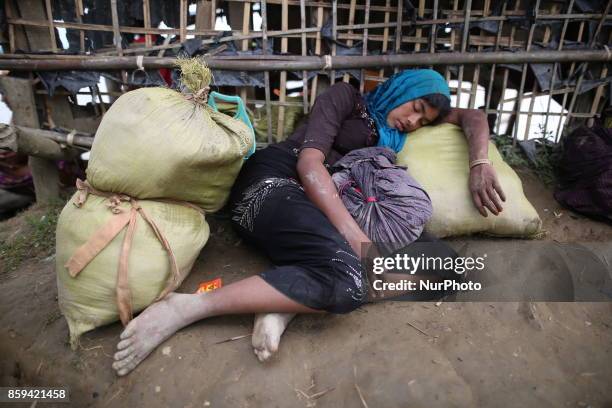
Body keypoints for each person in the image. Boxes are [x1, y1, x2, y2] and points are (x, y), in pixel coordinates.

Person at [111, 69, 506, 376]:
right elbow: (310, 163)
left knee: (447, 268)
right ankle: (190, 307)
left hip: (343, 203)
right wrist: (356, 240)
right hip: (276, 184)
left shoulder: (392, 134)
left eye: (424, 121)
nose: (413, 122)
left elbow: (472, 115)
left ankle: (288, 302)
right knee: (350, 281)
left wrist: (480, 163)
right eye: (416, 108)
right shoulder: (346, 98)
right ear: (402, 90)